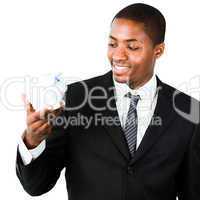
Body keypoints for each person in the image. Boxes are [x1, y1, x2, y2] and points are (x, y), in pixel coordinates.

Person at [16, 3, 200, 200]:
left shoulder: (189, 111)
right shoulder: (75, 98)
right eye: (113, 44)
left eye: (132, 47)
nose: (118, 56)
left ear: (159, 51)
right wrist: (33, 141)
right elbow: (36, 186)